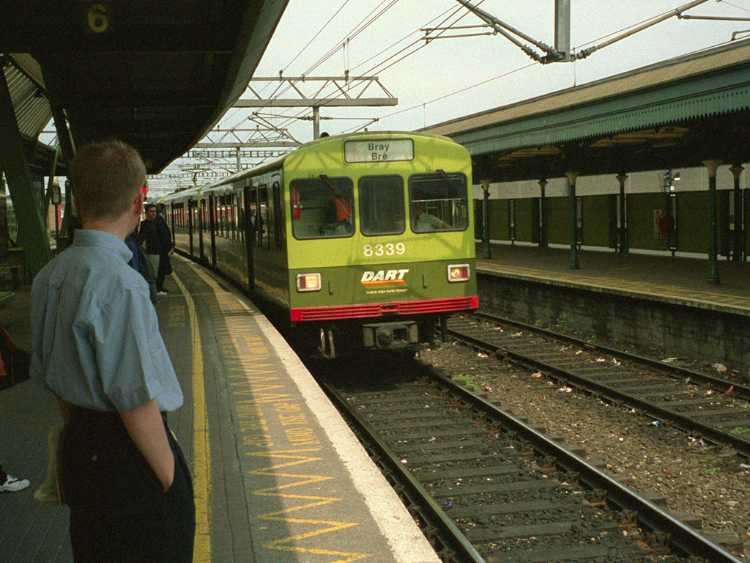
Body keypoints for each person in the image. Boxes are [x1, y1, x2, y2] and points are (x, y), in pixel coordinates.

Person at [30, 140, 195, 562]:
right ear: (140, 201)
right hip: (132, 458)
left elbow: (58, 382)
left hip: (81, 449)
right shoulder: (122, 284)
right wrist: (171, 481)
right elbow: (134, 398)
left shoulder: (50, 276)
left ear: (76, 200)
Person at [138, 203, 172, 296]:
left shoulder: (160, 221)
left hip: (162, 251)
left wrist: (169, 247)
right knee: (154, 272)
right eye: (151, 211)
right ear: (147, 213)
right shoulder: (144, 224)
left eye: (154, 211)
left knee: (161, 270)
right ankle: (156, 290)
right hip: (153, 252)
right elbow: (141, 238)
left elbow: (166, 234)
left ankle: (159, 287)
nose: (153, 213)